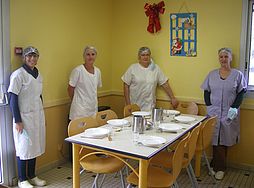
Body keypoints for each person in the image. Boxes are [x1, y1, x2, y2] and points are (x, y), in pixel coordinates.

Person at [201, 47, 247, 180]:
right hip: (214, 111)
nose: (223, 59)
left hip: (229, 112)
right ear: (218, 58)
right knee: (214, 138)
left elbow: (241, 93)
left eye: (226, 56)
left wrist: (234, 108)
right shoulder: (212, 74)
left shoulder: (237, 75)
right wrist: (209, 106)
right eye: (221, 56)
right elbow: (206, 91)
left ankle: (219, 167)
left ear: (231, 58)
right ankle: (216, 164)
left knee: (224, 140)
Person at [8, 46, 46, 188]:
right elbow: (13, 98)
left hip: (37, 116)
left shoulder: (38, 74)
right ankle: (22, 179)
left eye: (35, 56)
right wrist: (17, 120)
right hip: (23, 118)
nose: (32, 58)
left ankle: (32, 175)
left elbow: (39, 95)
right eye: (29, 56)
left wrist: (43, 115)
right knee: (23, 147)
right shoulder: (18, 75)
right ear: (24, 57)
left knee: (34, 146)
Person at [121, 46, 178, 111]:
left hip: (149, 106)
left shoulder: (155, 68)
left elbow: (164, 84)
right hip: (134, 106)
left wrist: (173, 98)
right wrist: (128, 104)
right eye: (143, 55)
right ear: (139, 57)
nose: (145, 57)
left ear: (150, 56)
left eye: (147, 55)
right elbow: (126, 85)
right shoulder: (133, 68)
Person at [68, 46, 102, 120]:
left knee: (92, 130)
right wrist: (77, 101)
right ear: (84, 56)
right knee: (79, 131)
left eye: (93, 54)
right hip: (80, 111)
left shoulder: (98, 71)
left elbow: (94, 90)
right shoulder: (78, 71)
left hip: (93, 109)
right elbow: (70, 89)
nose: (90, 57)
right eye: (88, 54)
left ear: (96, 56)